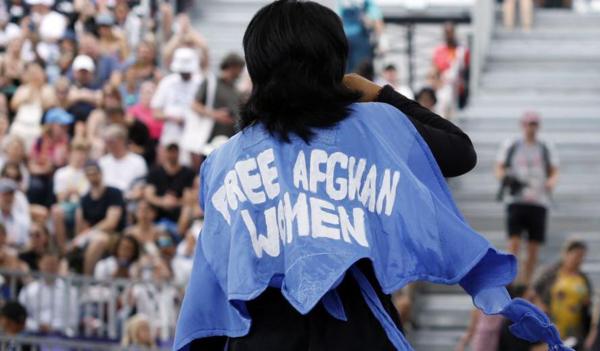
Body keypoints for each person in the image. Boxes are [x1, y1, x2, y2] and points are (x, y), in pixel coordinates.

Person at [174, 2, 571, 351]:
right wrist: (379, 93)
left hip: (259, 335)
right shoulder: (374, 124)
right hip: (358, 327)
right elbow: (459, 151)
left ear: (256, 66)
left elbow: (217, 277)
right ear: (333, 62)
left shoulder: (225, 160)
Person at [495, 112, 559, 285]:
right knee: (513, 242)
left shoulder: (545, 147)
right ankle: (511, 279)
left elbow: (554, 170)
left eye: (534, 124)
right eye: (528, 124)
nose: (531, 128)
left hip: (538, 200)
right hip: (516, 200)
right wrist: (505, 180)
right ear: (522, 125)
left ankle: (526, 282)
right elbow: (500, 167)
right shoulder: (512, 145)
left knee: (533, 247)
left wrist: (551, 183)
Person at [532, 240, 593, 349]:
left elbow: (588, 302)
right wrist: (541, 308)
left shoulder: (583, 278)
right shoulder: (551, 273)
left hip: (575, 329)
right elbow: (534, 292)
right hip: (552, 324)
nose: (579, 260)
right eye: (576, 255)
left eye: (582, 256)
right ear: (567, 253)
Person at [72, 161, 125, 275]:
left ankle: (87, 278)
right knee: (72, 247)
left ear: (101, 173)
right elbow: (80, 223)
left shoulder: (114, 193)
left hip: (113, 234)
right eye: (89, 174)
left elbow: (111, 223)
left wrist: (89, 233)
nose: (92, 176)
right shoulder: (85, 198)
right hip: (90, 234)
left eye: (94, 173)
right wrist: (80, 237)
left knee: (99, 240)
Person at [150, 47, 201, 147]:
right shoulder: (167, 82)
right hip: (171, 137)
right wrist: (173, 118)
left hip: (194, 136)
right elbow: (155, 113)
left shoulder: (200, 83)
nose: (184, 74)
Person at [18, 251, 78, 335]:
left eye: (53, 264)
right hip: (34, 333)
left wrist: (53, 328)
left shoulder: (70, 291)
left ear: (58, 266)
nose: (50, 267)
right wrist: (37, 326)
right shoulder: (29, 290)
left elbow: (73, 320)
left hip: (62, 335)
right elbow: (21, 317)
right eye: (47, 264)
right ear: (40, 265)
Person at [144, 142, 194, 222]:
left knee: (187, 210)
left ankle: (179, 232)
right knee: (144, 206)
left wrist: (175, 202)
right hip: (157, 211)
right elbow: (148, 195)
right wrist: (162, 201)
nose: (172, 155)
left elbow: (189, 198)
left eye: (175, 152)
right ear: (165, 153)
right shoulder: (155, 171)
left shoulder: (187, 173)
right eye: (170, 151)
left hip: (178, 212)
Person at [430, 22, 469, 119]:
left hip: (458, 89)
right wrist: (436, 84)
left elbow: (467, 71)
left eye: (450, 32)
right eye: (446, 32)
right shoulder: (439, 51)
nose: (449, 35)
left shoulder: (462, 51)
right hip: (444, 86)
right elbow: (434, 71)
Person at [98, 124, 148, 195]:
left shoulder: (138, 161)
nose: (108, 145)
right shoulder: (102, 162)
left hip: (129, 201)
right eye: (106, 142)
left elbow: (140, 187)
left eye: (111, 141)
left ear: (122, 140)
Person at [337, 0, 384, 73]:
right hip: (347, 42)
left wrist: (381, 40)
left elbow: (376, 20)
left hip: (360, 43)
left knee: (360, 71)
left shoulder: (367, 2)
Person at [0, 178, 31, 248]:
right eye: (5, 194)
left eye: (11, 194)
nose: (8, 198)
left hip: (16, 252)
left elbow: (26, 241)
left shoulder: (22, 219)